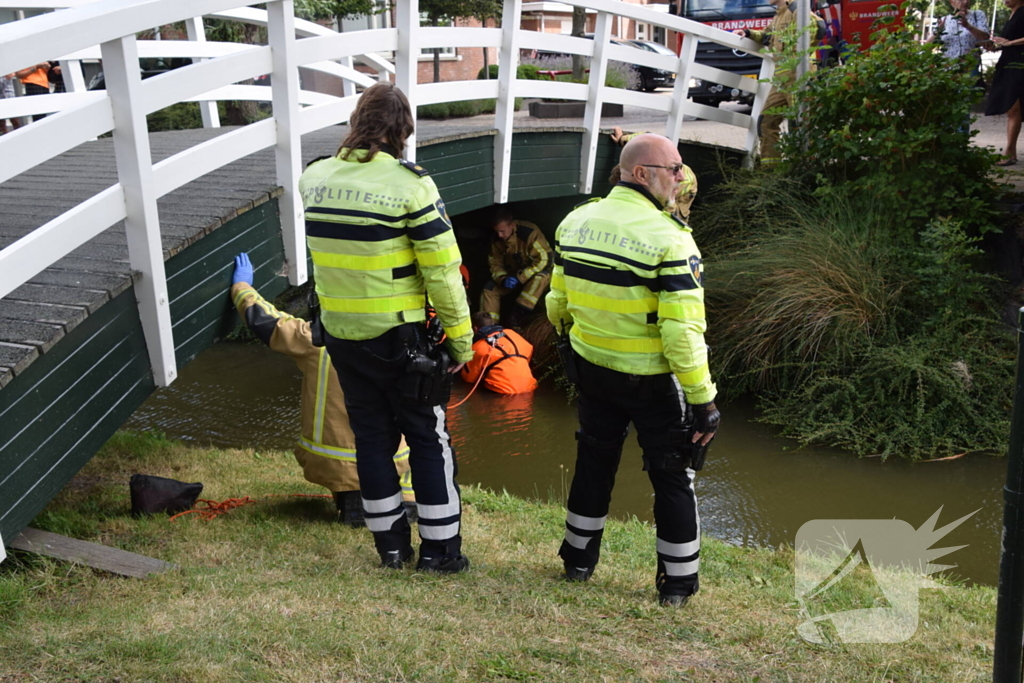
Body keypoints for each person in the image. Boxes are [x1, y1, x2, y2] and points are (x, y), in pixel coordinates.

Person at [299, 83, 473, 573]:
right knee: (426, 438)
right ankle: (440, 553)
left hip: (341, 334)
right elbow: (442, 272)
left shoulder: (313, 177)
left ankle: (391, 550)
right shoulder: (411, 185)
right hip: (399, 338)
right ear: (404, 130)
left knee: (371, 439)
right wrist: (461, 341)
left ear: (357, 121)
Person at [547, 134, 721, 607]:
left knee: (593, 462)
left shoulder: (575, 222)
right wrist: (703, 400)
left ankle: (577, 562)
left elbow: (557, 302)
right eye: (675, 168)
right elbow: (681, 334)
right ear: (642, 173)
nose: (682, 177)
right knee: (671, 476)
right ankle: (678, 586)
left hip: (592, 369)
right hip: (650, 381)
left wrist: (574, 344)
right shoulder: (671, 240)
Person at [229, 253, 416, 527]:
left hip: (334, 463)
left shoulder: (313, 340)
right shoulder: (399, 340)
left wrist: (242, 288)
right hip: (395, 459)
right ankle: (406, 501)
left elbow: (266, 322)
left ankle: (354, 501)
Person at [733, 0, 800, 165]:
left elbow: (817, 29)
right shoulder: (779, 15)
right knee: (767, 121)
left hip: (798, 76)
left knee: (799, 123)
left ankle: (804, 169)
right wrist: (748, 33)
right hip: (781, 78)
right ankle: (771, 170)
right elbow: (767, 36)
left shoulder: (797, 10)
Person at [480, 206, 553, 328]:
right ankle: (489, 328)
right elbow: (495, 264)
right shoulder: (496, 239)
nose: (500, 235)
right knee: (490, 289)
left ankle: (518, 317)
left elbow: (544, 260)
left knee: (539, 279)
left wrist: (521, 278)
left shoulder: (530, 233)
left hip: (537, 274)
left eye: (502, 231)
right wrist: (502, 279)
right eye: (497, 231)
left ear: (512, 225)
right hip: (513, 276)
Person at [610, 127, 698, 221]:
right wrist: (622, 139)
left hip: (684, 192)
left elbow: (651, 139)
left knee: (672, 217)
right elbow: (643, 139)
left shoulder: (673, 181)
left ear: (640, 175)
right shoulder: (639, 161)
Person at [461, 312, 538, 395]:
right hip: (528, 387)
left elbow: (469, 379)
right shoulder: (513, 334)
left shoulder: (477, 348)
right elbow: (529, 348)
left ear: (475, 329)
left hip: (500, 391)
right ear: (493, 324)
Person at [986, 0, 1024, 165]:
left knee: (1014, 108)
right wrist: (998, 45)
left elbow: (1014, 41)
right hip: (1009, 63)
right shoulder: (1012, 14)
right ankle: (1011, 152)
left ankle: (1009, 153)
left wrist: (1010, 43)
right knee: (1013, 109)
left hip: (1019, 64)